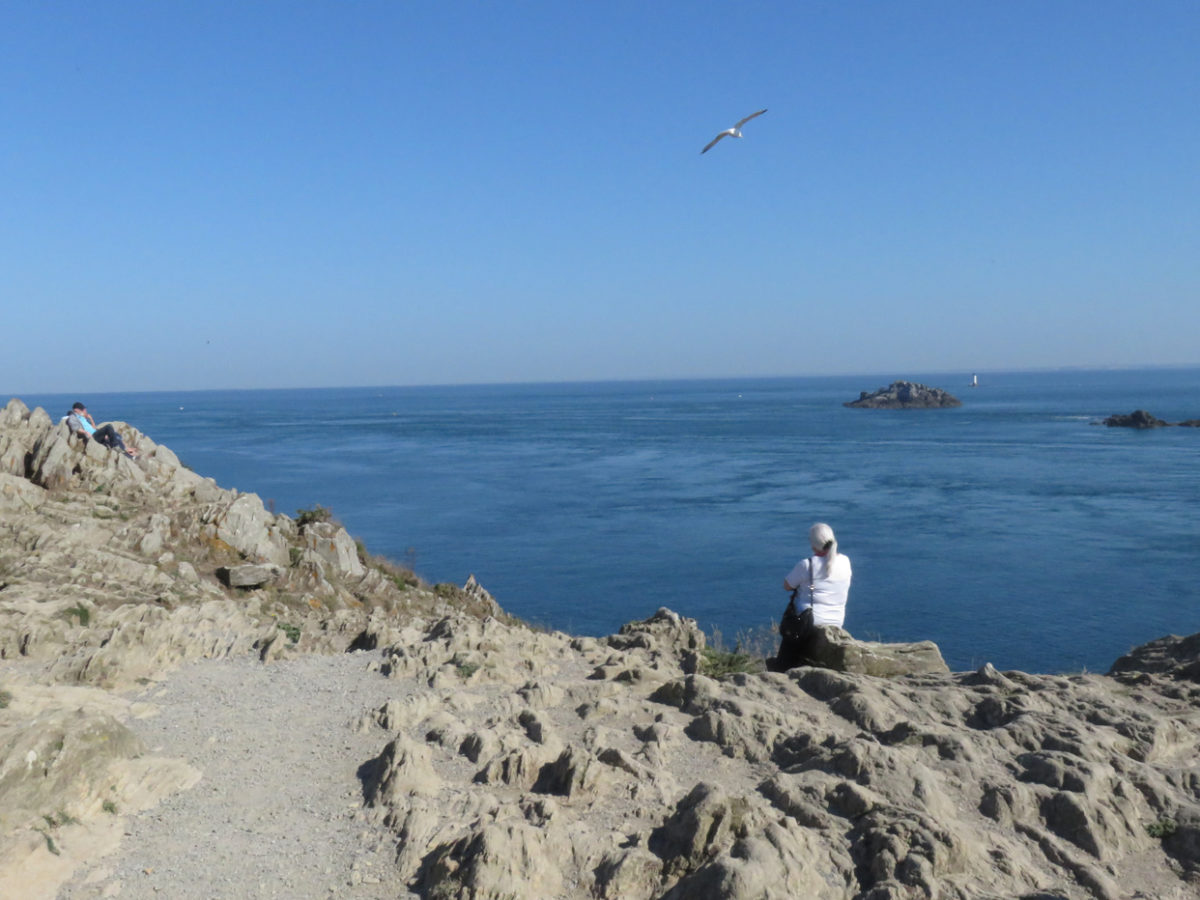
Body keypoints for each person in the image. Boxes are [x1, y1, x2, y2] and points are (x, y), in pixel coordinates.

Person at [769, 522, 852, 671]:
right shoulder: (845, 561)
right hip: (837, 620)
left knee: (791, 629)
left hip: (809, 622)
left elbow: (787, 585)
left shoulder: (807, 565)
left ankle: (782, 666)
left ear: (813, 544)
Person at [65, 402, 138, 458]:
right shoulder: (73, 417)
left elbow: (93, 428)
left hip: (95, 433)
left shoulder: (83, 418)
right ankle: (118, 448)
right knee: (108, 427)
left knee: (115, 435)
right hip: (92, 437)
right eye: (84, 410)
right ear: (77, 410)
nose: (85, 411)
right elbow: (75, 428)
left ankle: (126, 451)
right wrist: (86, 432)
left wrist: (91, 419)